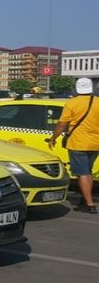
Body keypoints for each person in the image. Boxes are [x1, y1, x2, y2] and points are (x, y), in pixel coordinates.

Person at [46, 77, 99, 214]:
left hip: (78, 143)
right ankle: (85, 198)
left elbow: (62, 124)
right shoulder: (98, 102)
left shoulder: (72, 103)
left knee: (83, 173)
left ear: (77, 88)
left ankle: (89, 204)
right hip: (95, 143)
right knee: (88, 171)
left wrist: (53, 138)